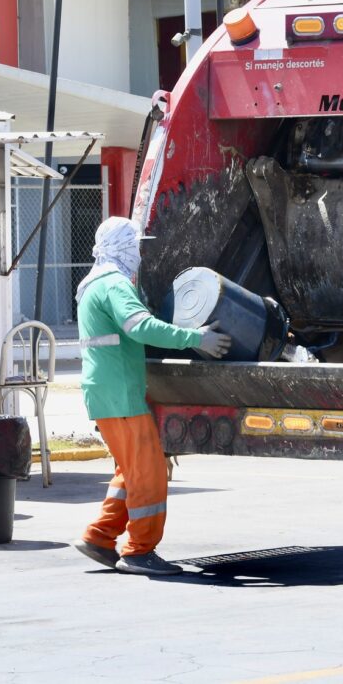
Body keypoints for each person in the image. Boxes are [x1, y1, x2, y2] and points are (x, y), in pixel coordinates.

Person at [72, 216, 231, 576]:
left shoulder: (92, 284)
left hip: (106, 392)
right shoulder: (114, 285)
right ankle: (139, 550)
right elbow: (140, 327)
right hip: (121, 394)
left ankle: (99, 536)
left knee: (130, 472)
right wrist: (196, 338)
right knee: (150, 474)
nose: (140, 254)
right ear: (124, 247)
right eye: (136, 246)